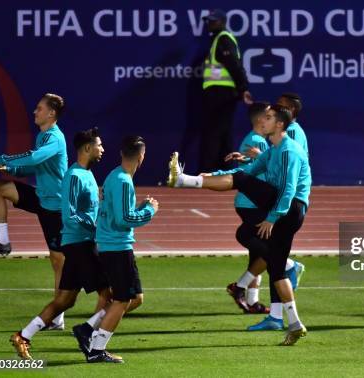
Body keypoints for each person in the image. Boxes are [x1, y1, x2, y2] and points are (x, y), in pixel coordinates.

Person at [169, 104, 311, 345]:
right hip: (280, 205)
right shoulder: (274, 149)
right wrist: (209, 176)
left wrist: (271, 218)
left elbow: (288, 190)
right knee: (275, 268)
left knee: (243, 189)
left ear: (279, 125)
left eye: (268, 118)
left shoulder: (288, 150)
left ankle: (183, 180)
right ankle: (295, 323)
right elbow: (250, 171)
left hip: (289, 208)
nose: (262, 121)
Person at [9, 128, 110, 360]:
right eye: (99, 145)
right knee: (116, 296)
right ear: (87, 148)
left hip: (79, 244)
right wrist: (95, 227)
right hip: (80, 245)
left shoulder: (88, 174)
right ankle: (91, 340)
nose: (102, 149)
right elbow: (70, 215)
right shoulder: (74, 176)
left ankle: (23, 336)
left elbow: (90, 210)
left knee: (65, 300)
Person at [0, 93, 68, 329]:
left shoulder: (55, 138)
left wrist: (2, 158)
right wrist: (7, 167)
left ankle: (57, 317)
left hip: (56, 207)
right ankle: (2, 241)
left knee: (58, 261)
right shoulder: (43, 136)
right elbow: (33, 166)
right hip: (41, 198)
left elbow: (34, 157)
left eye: (39, 108)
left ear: (51, 113)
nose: (34, 112)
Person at [88, 136, 158, 363]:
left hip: (113, 244)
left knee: (134, 298)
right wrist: (149, 211)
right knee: (123, 300)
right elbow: (124, 219)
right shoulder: (123, 180)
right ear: (141, 156)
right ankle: (96, 347)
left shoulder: (115, 176)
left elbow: (117, 211)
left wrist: (141, 207)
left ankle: (89, 329)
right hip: (116, 246)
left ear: (121, 153)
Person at [221, 101, 270, 314]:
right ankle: (239, 287)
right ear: (261, 120)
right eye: (270, 116)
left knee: (258, 251)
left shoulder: (256, 140)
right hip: (252, 203)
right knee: (270, 252)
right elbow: (266, 173)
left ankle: (252, 301)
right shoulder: (256, 141)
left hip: (250, 202)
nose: (273, 120)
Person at [199, 8, 253, 173]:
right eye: (209, 21)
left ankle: (209, 171)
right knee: (222, 132)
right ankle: (225, 169)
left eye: (214, 21)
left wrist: (243, 87)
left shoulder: (223, 39)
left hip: (221, 93)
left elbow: (234, 65)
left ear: (222, 22)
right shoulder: (216, 40)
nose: (210, 23)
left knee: (215, 133)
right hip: (218, 93)